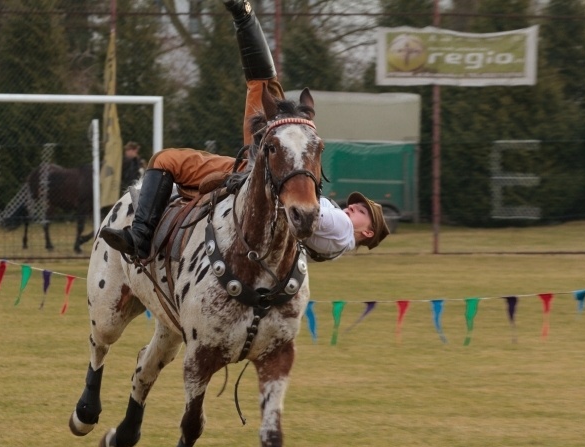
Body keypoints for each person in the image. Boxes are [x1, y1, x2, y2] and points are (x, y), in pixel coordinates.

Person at [100, 0, 389, 262]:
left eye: (362, 212)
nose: (353, 208)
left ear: (367, 233)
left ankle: (141, 236)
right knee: (263, 85)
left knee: (168, 158)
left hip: (260, 175)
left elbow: (303, 209)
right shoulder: (337, 238)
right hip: (263, 172)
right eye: (357, 206)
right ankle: (243, 15)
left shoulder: (342, 228)